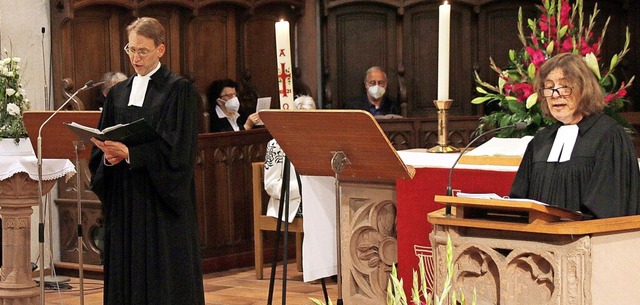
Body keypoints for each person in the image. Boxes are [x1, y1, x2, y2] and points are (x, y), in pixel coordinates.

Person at [88, 17, 205, 304]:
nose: (135, 58)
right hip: (125, 200)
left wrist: (133, 154)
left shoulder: (179, 91)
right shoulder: (118, 93)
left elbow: (180, 150)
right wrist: (110, 156)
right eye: (131, 49)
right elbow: (103, 147)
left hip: (159, 202)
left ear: (160, 50)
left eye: (143, 51)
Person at [510, 53, 640, 219]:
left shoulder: (609, 136)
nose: (555, 95)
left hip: (588, 241)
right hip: (538, 241)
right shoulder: (541, 141)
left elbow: (610, 206)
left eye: (565, 86)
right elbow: (519, 201)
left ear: (584, 89)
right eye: (549, 88)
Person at [263, 95, 337, 283]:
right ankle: (320, 268)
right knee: (319, 210)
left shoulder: (323, 141)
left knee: (341, 209)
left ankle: (337, 266)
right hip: (293, 201)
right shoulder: (277, 144)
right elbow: (271, 185)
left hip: (321, 194)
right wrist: (303, 189)